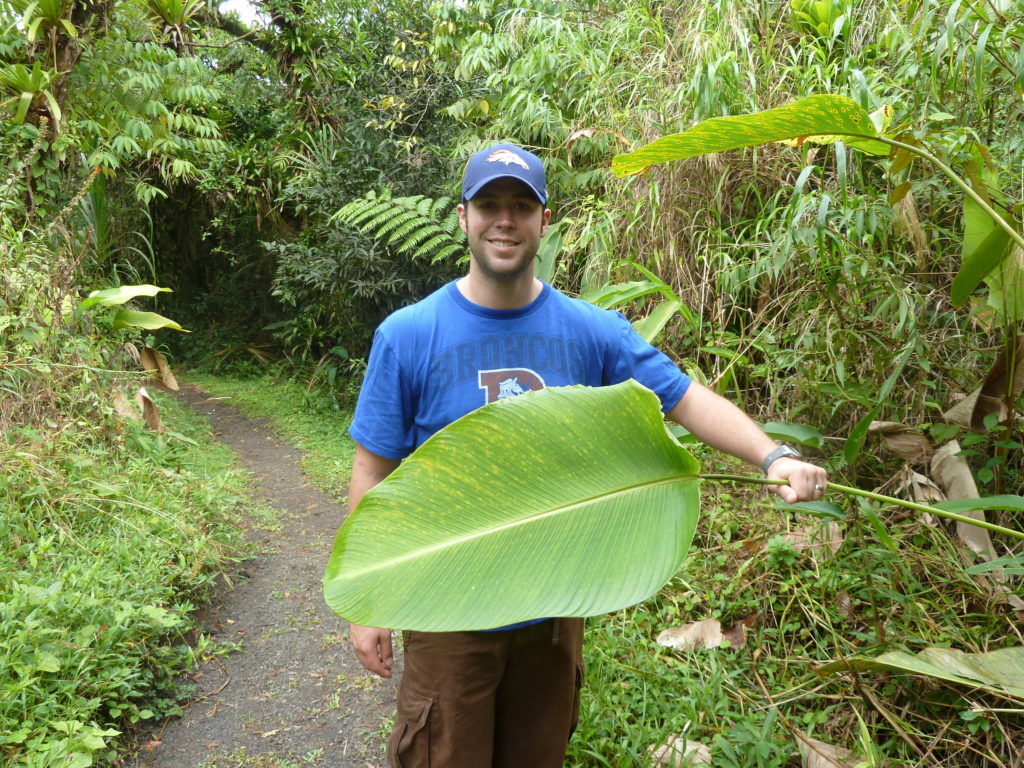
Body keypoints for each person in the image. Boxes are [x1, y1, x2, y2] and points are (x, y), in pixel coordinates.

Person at [345, 143, 827, 767]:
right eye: (489, 204)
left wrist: (773, 457)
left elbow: (684, 399)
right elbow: (372, 469)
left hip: (554, 604)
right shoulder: (409, 334)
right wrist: (367, 601)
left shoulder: (590, 330)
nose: (505, 220)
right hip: (448, 606)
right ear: (463, 217)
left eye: (522, 206)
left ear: (545, 221)